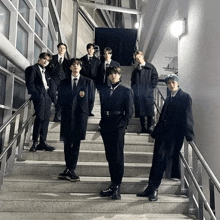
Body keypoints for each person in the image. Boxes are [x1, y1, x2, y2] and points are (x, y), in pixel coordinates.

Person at [136, 74, 194, 201]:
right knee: (155, 160)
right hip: (162, 134)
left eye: (173, 82)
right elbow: (162, 118)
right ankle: (150, 188)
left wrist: (189, 134)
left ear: (178, 83)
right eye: (169, 83)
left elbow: (188, 117)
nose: (171, 85)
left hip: (173, 137)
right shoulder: (168, 99)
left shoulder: (185, 97)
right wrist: (155, 132)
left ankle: (155, 189)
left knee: (162, 160)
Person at [99, 66, 134, 200]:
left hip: (118, 125)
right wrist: (102, 123)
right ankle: (113, 184)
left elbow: (129, 111)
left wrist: (123, 125)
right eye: (111, 74)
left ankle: (117, 186)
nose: (113, 76)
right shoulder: (105, 90)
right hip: (106, 125)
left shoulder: (126, 90)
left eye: (116, 74)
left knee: (117, 156)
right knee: (110, 156)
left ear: (120, 75)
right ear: (108, 76)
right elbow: (103, 108)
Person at [57, 58, 95, 181]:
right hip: (67, 115)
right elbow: (61, 99)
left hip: (80, 116)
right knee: (67, 143)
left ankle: (72, 168)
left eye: (78, 65)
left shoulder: (88, 82)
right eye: (73, 65)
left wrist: (85, 112)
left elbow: (91, 100)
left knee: (76, 143)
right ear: (70, 67)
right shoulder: (64, 82)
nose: (75, 67)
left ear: (81, 67)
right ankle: (68, 168)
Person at [25, 52, 55, 152]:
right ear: (39, 58)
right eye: (44, 59)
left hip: (47, 97)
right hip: (39, 97)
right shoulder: (32, 69)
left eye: (48, 60)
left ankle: (43, 142)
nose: (46, 61)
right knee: (40, 118)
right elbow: (30, 83)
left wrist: (50, 97)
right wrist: (36, 96)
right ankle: (34, 143)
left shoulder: (46, 71)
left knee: (46, 120)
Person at [131, 51, 158, 134]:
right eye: (136, 59)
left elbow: (155, 78)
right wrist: (135, 89)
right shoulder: (135, 70)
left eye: (139, 57)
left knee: (149, 110)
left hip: (148, 93)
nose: (138, 60)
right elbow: (132, 81)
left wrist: (150, 87)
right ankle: (143, 127)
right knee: (140, 111)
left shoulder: (150, 67)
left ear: (142, 56)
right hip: (139, 93)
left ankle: (149, 127)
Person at [49, 43, 69, 122]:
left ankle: (57, 116)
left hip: (63, 81)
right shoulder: (52, 58)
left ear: (65, 50)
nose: (62, 49)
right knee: (52, 94)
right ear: (58, 48)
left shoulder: (68, 61)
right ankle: (57, 106)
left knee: (61, 97)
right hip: (53, 80)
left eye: (63, 48)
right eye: (60, 48)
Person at [80, 43, 101, 116]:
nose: (90, 50)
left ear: (94, 50)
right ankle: (83, 110)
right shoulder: (82, 59)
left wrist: (98, 83)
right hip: (84, 80)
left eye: (92, 49)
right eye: (89, 48)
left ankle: (89, 111)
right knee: (83, 95)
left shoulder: (97, 60)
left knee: (91, 96)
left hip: (93, 81)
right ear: (87, 49)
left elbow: (99, 72)